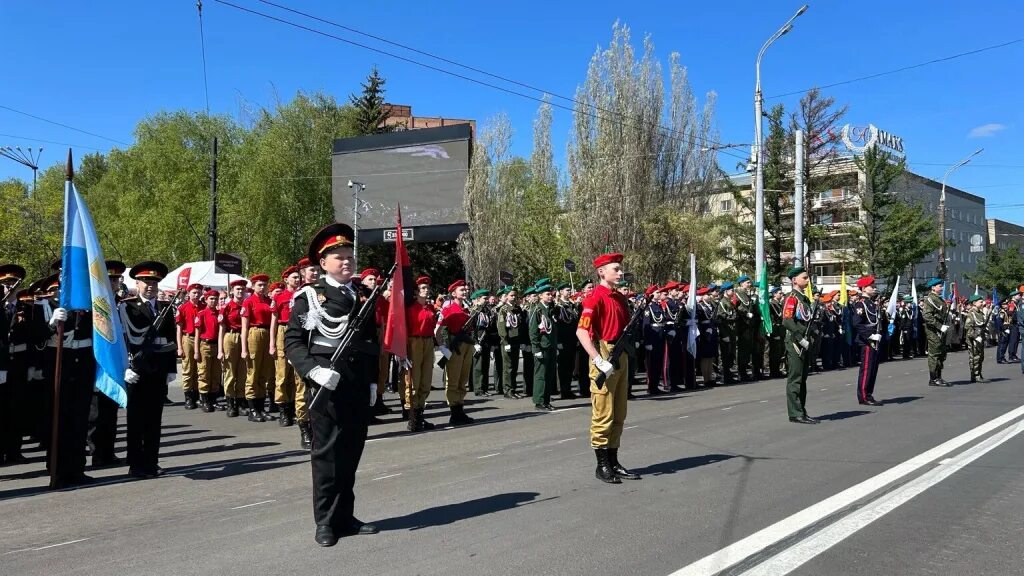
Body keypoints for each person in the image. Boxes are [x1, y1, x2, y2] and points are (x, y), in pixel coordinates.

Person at [284, 222, 378, 547]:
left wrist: (374, 382)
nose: (346, 261)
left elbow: (370, 344)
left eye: (349, 255)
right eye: (338, 256)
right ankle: (324, 521)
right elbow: (294, 342)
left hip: (356, 387)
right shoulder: (310, 298)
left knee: (352, 454)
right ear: (323, 263)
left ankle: (345, 517)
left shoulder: (364, 296)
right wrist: (313, 372)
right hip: (327, 387)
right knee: (326, 458)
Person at [576, 252, 640, 484]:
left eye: (620, 269)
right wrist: (597, 359)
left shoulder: (619, 298)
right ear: (602, 272)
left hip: (621, 356)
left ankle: (613, 461)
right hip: (604, 355)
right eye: (616, 269)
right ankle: (602, 465)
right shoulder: (594, 298)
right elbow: (582, 331)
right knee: (603, 414)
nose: (620, 272)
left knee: (619, 413)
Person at [121, 261, 177, 479]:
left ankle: (152, 462)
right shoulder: (127, 307)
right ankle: (136, 464)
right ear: (137, 283)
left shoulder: (165, 307)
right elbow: (124, 338)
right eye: (146, 282)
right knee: (136, 420)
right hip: (137, 369)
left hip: (158, 370)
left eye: (154, 282)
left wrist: (171, 368)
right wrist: (125, 366)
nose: (151, 286)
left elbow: (171, 338)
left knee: (154, 420)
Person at [782, 267, 818, 424]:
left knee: (802, 378)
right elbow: (787, 321)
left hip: (804, 341)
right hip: (795, 342)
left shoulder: (804, 298)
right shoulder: (792, 298)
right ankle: (795, 413)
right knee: (795, 378)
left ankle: (801, 410)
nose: (807, 280)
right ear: (794, 280)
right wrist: (799, 337)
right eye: (804, 277)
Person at [437, 280, 475, 426]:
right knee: (452, 379)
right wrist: (442, 347)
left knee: (463, 378)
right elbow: (438, 331)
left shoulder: (467, 309)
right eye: (461, 290)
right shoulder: (448, 309)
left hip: (467, 344)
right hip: (455, 345)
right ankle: (454, 412)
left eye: (466, 290)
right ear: (453, 293)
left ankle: (460, 409)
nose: (465, 292)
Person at [404, 275, 438, 432]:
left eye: (427, 288)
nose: (426, 290)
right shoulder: (410, 309)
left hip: (428, 342)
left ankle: (420, 414)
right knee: (413, 380)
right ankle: (413, 418)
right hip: (414, 341)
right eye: (423, 288)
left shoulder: (430, 308)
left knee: (426, 379)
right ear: (416, 292)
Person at [269, 266, 301, 427]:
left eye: (298, 277)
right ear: (286, 280)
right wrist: (272, 343)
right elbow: (274, 321)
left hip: (298, 329)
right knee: (282, 373)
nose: (297, 279)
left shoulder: (303, 294)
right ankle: (284, 410)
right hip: (283, 330)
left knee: (297, 374)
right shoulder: (280, 297)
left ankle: (297, 408)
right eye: (294, 277)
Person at [240, 273, 274, 422]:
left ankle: (261, 407)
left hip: (267, 333)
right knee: (253, 371)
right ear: (253, 286)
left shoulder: (269, 301)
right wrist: (244, 348)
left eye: (265, 285)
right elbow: (244, 327)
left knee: (264, 372)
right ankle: (253, 409)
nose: (262, 287)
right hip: (254, 333)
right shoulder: (248, 302)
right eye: (259, 285)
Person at [850, 276, 883, 406]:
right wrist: (870, 336)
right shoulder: (861, 304)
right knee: (867, 368)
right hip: (867, 340)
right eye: (872, 287)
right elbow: (857, 324)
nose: (874, 289)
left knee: (873, 368)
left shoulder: (871, 303)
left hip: (875, 339)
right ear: (864, 288)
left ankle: (869, 394)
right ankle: (863, 396)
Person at [219, 279, 248, 418]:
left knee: (243, 371)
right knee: (230, 371)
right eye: (237, 289)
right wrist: (220, 350)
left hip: (244, 337)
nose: (240, 292)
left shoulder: (246, 305)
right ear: (232, 291)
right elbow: (222, 329)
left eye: (242, 289)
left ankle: (241, 402)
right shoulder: (226, 307)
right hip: (230, 337)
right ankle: (230, 403)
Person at [175, 283, 204, 410]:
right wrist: (180, 347)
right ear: (188, 294)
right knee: (188, 369)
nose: (196, 295)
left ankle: (197, 396)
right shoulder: (183, 308)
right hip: (188, 338)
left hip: (202, 340)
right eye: (194, 292)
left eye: (198, 293)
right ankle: (188, 398)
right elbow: (179, 329)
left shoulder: (204, 307)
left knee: (200, 369)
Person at [529, 282, 558, 411]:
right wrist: (536, 349)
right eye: (547, 294)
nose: (550, 296)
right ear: (540, 295)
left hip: (551, 346)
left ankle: (546, 400)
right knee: (541, 375)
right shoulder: (537, 310)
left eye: (551, 294)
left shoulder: (550, 309)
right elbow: (533, 331)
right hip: (542, 347)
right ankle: (539, 401)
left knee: (549, 374)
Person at [193, 289, 222, 413]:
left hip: (216, 346)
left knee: (216, 374)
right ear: (206, 300)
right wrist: (196, 351)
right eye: (211, 298)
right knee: (204, 373)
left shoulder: (220, 313)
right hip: (205, 345)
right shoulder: (201, 314)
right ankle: (205, 400)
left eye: (216, 299)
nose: (214, 301)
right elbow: (197, 334)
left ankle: (213, 400)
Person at [920, 278, 952, 387]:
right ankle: (933, 379)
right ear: (933, 287)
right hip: (933, 331)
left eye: (941, 286)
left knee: (941, 353)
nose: (942, 288)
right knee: (934, 354)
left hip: (940, 330)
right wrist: (939, 326)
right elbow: (927, 316)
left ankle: (939, 376)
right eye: (939, 286)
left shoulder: (940, 299)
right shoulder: (930, 299)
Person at [497, 287, 525, 399]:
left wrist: (522, 341)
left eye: (515, 295)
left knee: (515, 366)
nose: (514, 297)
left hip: (516, 340)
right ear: (507, 296)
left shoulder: (518, 309)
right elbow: (501, 327)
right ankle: (507, 390)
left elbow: (521, 325)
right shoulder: (503, 309)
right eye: (511, 295)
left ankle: (513, 388)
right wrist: (505, 341)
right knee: (508, 367)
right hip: (508, 341)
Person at [734, 275, 756, 381]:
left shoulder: (746, 295)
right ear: (741, 283)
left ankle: (744, 371)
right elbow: (734, 309)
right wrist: (745, 314)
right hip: (741, 326)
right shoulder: (737, 295)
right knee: (742, 350)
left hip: (748, 326)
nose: (749, 284)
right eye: (747, 282)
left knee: (747, 349)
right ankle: (741, 372)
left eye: (749, 282)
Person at [965, 294, 989, 383]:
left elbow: (981, 326)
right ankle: (975, 375)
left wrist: (985, 332)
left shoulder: (980, 313)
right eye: (980, 301)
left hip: (980, 337)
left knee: (980, 357)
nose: (983, 303)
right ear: (974, 303)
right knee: (975, 357)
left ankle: (979, 373)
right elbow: (968, 327)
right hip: (973, 339)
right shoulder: (971, 314)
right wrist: (975, 336)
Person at [767, 287, 786, 378]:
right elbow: (771, 320)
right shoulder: (772, 304)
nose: (781, 294)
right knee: (775, 352)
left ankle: (777, 370)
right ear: (774, 294)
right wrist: (775, 333)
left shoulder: (779, 304)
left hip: (781, 330)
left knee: (780, 352)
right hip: (776, 331)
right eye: (779, 293)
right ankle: (773, 371)